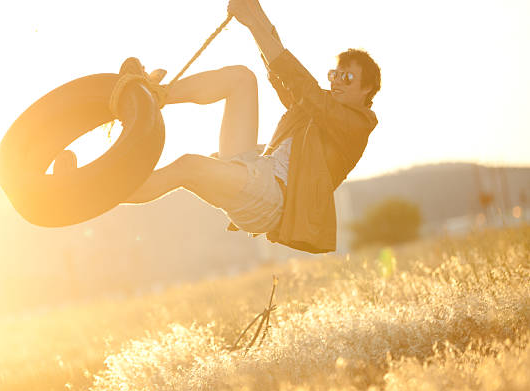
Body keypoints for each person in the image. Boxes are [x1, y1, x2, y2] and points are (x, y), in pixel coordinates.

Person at [120, 0, 381, 253]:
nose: (337, 82)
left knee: (188, 166)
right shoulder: (316, 108)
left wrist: (253, 22)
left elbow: (302, 85)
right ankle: (154, 94)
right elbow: (283, 73)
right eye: (334, 75)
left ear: (367, 89)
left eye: (347, 77)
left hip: (274, 199)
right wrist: (255, 11)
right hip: (256, 172)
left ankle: (108, 188)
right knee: (241, 78)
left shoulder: (356, 125)